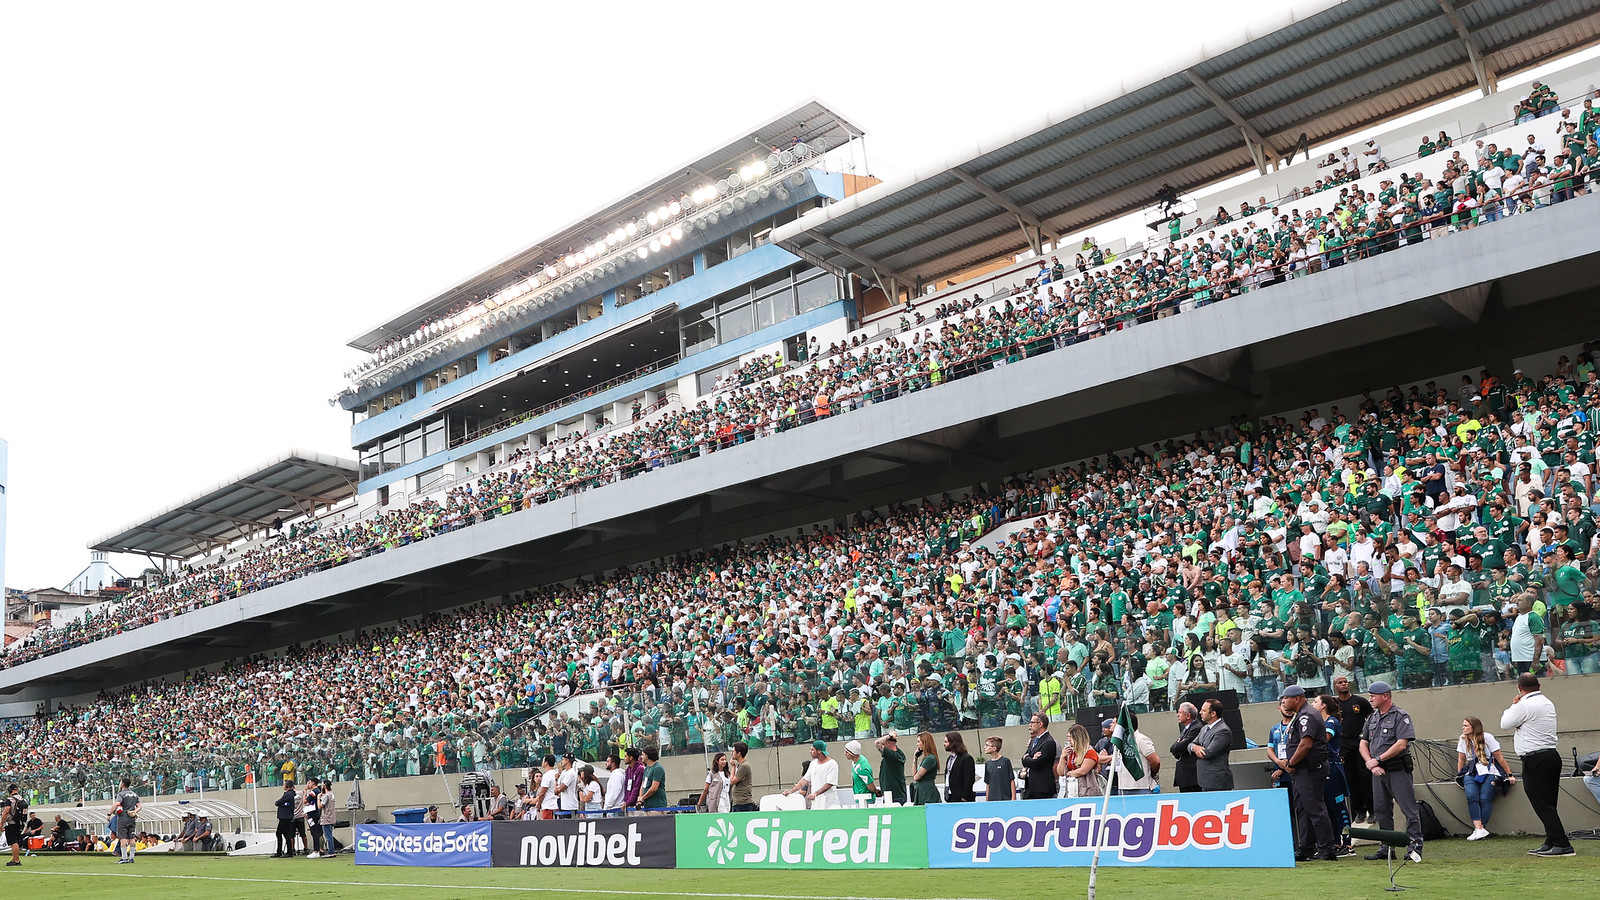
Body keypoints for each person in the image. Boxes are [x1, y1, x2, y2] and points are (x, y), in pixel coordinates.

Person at [1500, 673, 1572, 856]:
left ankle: (1562, 844)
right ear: (1539, 685)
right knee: (1549, 802)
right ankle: (1552, 840)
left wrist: (1514, 705)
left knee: (1541, 803)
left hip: (1535, 759)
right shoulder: (1547, 702)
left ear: (1519, 688)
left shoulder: (1523, 705)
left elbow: (1504, 724)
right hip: (1551, 756)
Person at [1358, 681, 1422, 862]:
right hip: (1378, 771)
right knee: (1381, 811)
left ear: (1385, 696)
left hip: (1396, 769)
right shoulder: (1372, 718)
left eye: (1373, 696)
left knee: (1409, 809)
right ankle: (1386, 848)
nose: (1370, 699)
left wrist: (1377, 760)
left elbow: (1401, 744)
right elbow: (1363, 743)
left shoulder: (1400, 716)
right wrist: (1371, 763)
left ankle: (1415, 847)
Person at [1281, 685, 1337, 862]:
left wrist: (1291, 762)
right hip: (1301, 771)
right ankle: (1306, 847)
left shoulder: (1307, 715)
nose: (1283, 701)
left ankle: (1327, 848)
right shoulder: (1300, 715)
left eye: (1286, 698)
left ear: (1297, 698)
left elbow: (1305, 744)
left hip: (1310, 769)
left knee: (1315, 808)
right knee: (1303, 809)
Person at [1457, 715, 1514, 840]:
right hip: (1472, 770)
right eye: (1463, 725)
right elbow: (1461, 759)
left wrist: (1509, 774)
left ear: (1474, 726)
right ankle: (1479, 829)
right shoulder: (1462, 740)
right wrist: (1459, 774)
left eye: (1466, 725)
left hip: (1489, 768)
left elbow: (1499, 757)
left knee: (1484, 798)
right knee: (1472, 796)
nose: (1463, 728)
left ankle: (1480, 828)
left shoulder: (1487, 737)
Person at [1333, 674, 1375, 824]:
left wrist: (1367, 736)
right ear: (1335, 686)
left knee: (1365, 776)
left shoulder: (1360, 701)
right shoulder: (1334, 704)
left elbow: (1372, 719)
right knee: (1350, 778)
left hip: (1360, 743)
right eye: (1340, 682)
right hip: (1343, 744)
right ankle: (1359, 811)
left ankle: (1372, 810)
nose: (1344, 684)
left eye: (1345, 682)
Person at [1190, 698, 1234, 791]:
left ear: (1213, 713)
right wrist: (1194, 747)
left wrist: (1196, 749)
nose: (1200, 712)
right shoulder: (1204, 728)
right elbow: (1191, 744)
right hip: (1204, 780)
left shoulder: (1223, 730)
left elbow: (1208, 753)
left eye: (1204, 710)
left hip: (1217, 781)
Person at [785, 740, 840, 809]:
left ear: (819, 751)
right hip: (816, 804)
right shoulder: (813, 763)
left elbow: (829, 783)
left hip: (830, 804)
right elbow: (804, 780)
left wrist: (816, 793)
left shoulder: (832, 764)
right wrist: (791, 791)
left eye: (812, 750)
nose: (810, 752)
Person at [1057, 723, 1102, 798]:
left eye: (1070, 737)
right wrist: (1062, 757)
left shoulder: (1090, 752)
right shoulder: (1069, 752)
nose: (1068, 740)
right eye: (1067, 737)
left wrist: (1069, 773)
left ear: (1077, 738)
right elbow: (1061, 772)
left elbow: (1083, 771)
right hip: (1071, 791)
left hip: (1086, 790)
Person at [1020, 713, 1058, 799]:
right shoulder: (1034, 740)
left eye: (1032, 722)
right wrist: (1030, 759)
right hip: (1030, 787)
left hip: (1042, 788)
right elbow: (1023, 759)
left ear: (1040, 724)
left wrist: (1028, 758)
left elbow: (1036, 763)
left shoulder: (1048, 742)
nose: (1030, 725)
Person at [1170, 702, 1203, 792]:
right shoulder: (1187, 728)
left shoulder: (1196, 728)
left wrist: (1177, 746)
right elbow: (1175, 748)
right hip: (1185, 777)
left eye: (1180, 713)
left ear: (1188, 716)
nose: (1177, 715)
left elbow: (1180, 746)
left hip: (1191, 776)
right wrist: (1176, 746)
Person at [874, 734, 907, 804]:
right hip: (893, 795)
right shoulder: (897, 754)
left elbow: (877, 743)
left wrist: (889, 735)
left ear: (888, 743)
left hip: (894, 797)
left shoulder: (892, 755)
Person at [944, 732, 976, 802]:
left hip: (962, 798)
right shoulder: (949, 758)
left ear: (953, 743)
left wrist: (964, 796)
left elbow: (969, 779)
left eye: (946, 742)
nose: (944, 744)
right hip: (950, 796)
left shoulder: (966, 758)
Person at [910, 731, 941, 805]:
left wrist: (916, 775)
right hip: (921, 791)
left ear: (925, 743)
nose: (916, 744)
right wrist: (915, 758)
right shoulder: (926, 758)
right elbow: (914, 775)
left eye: (918, 742)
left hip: (927, 792)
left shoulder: (930, 758)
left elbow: (916, 777)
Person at [982, 736, 1015, 802]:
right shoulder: (987, 764)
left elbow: (1011, 780)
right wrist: (987, 800)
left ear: (994, 748)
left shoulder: (1005, 761)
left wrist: (1013, 798)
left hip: (1005, 798)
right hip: (992, 800)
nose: (984, 747)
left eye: (987, 745)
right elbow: (988, 783)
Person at [636, 747, 668, 813]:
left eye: (643, 754)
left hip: (657, 806)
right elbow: (643, 785)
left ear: (647, 755)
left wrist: (643, 798)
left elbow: (654, 788)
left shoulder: (657, 768)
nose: (641, 757)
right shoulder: (646, 769)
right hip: (648, 806)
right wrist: (640, 798)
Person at [2, 784, 26, 867]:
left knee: (13, 842)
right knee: (16, 841)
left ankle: (16, 860)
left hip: (11, 822)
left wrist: (1, 822)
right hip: (19, 823)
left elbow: (6, 811)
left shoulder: (10, 800)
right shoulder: (22, 799)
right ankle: (14, 858)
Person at [728, 743, 756, 812]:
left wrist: (733, 767)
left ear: (738, 753)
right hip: (737, 801)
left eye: (733, 751)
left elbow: (732, 781)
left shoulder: (744, 766)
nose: (732, 753)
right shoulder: (740, 765)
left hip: (743, 802)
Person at [273, 778, 296, 859]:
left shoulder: (288, 795)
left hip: (285, 817)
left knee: (284, 834)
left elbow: (278, 802)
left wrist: (280, 804)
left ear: (287, 786)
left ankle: (287, 851)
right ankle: (281, 851)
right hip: (285, 816)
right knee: (281, 833)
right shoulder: (289, 794)